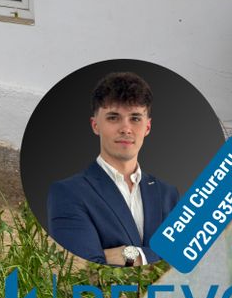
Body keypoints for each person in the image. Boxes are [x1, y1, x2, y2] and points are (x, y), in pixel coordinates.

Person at [46, 71, 180, 266]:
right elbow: (84, 268)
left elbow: (182, 262)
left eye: (135, 118)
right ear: (95, 125)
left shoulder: (167, 194)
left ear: (147, 127)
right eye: (113, 118)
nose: (125, 129)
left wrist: (130, 255)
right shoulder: (68, 193)